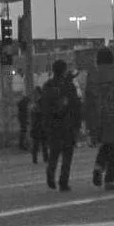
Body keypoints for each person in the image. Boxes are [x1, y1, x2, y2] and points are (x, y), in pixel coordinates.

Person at [85, 47, 114, 188]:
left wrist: (88, 119)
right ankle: (110, 179)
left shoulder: (92, 72)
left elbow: (88, 97)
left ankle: (98, 167)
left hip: (97, 114)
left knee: (105, 144)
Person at [34, 61, 82, 191]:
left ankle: (50, 174)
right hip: (67, 125)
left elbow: (43, 107)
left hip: (53, 125)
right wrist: (78, 124)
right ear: (64, 70)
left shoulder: (47, 85)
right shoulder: (69, 85)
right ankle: (63, 181)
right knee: (67, 155)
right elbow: (76, 105)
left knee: (54, 153)